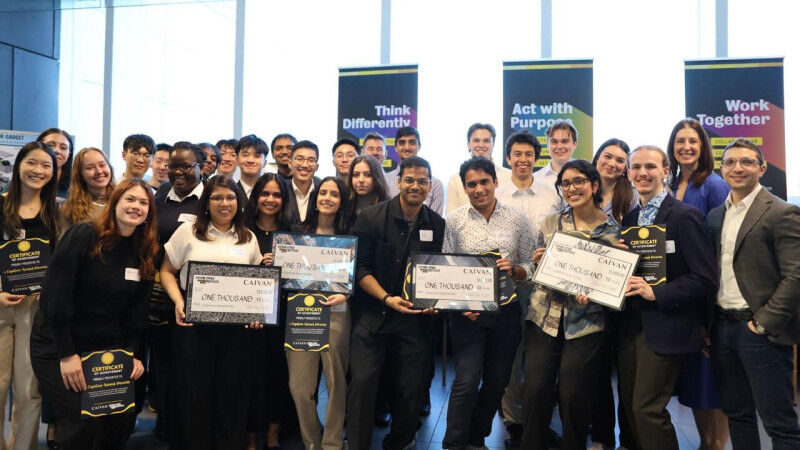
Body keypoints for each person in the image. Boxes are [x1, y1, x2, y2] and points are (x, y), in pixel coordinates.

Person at [30, 178, 158, 449]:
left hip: (106, 346)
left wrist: (133, 354)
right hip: (59, 344)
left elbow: (137, 312)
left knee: (120, 416)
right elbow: (55, 297)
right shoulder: (85, 234)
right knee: (84, 420)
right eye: (130, 199)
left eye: (143, 202)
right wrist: (66, 354)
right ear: (115, 203)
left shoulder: (144, 249)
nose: (136, 206)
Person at [618, 145, 717, 450]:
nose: (642, 173)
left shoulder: (685, 217)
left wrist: (657, 292)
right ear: (629, 173)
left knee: (647, 409)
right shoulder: (631, 218)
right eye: (636, 167)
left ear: (665, 171)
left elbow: (704, 278)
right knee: (632, 409)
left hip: (668, 326)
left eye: (650, 166)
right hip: (631, 327)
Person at [346, 156, 445, 450]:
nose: (416, 186)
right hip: (372, 317)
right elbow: (358, 269)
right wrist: (387, 298)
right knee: (362, 386)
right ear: (399, 181)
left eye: (422, 181)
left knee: (411, 390)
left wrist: (436, 299)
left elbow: (439, 272)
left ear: (430, 186)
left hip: (413, 320)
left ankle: (400, 443)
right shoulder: (371, 218)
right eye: (410, 180)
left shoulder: (437, 224)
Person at [708, 138, 800, 449]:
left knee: (779, 423)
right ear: (722, 170)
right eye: (730, 162)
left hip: (759, 332)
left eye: (747, 162)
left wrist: (762, 323)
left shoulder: (782, 212)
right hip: (721, 328)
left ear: (761, 168)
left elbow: (796, 275)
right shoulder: (714, 216)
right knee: (737, 414)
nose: (738, 168)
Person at [160, 175, 262, 450]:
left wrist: (258, 313)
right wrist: (178, 302)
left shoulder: (248, 238)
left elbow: (257, 284)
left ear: (239, 203)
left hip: (235, 333)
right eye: (217, 197)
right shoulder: (188, 231)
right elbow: (167, 271)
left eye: (230, 197)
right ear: (207, 202)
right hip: (194, 327)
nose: (224, 203)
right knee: (194, 394)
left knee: (232, 395)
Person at [522, 160, 618, 450]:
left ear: (594, 185)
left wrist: (597, 291)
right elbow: (534, 269)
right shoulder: (552, 223)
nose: (572, 188)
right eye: (565, 183)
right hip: (544, 317)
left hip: (586, 323)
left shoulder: (613, 230)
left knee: (572, 396)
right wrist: (537, 264)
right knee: (536, 390)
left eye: (578, 181)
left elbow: (613, 284)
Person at [442, 157, 534, 449]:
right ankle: (454, 443)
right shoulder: (454, 221)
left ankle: (476, 436)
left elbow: (531, 266)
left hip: (506, 312)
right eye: (472, 184)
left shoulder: (518, 219)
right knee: (467, 381)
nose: (479, 189)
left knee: (497, 381)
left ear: (495, 182)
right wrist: (459, 304)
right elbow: (445, 269)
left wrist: (516, 270)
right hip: (467, 315)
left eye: (484, 182)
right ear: (465, 187)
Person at [495, 131, 563, 447]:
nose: (523, 159)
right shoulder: (497, 194)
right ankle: (513, 419)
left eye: (529, 154)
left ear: (537, 159)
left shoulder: (553, 194)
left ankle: (540, 419)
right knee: (511, 352)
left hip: (546, 284)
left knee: (542, 356)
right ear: (508, 158)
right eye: (517, 154)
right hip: (507, 283)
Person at [666, 119, 730, 450]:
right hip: (681, 295)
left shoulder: (714, 185)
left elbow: (721, 245)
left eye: (693, 141)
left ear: (703, 146)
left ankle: (717, 443)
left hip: (708, 293)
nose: (686, 147)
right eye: (680, 141)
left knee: (712, 377)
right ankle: (704, 441)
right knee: (694, 379)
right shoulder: (670, 182)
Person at [0, 141, 60, 450]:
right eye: (31, 163)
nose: (38, 170)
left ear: (54, 172)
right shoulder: (1, 204)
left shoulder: (57, 214)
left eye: (46, 165)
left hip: (36, 310)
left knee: (28, 390)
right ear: (19, 164)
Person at [287, 176, 352, 450]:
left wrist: (348, 292)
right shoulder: (296, 232)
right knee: (299, 388)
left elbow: (357, 274)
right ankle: (311, 440)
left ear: (341, 201)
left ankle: (333, 442)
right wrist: (274, 261)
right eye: (323, 192)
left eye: (334, 194)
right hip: (301, 313)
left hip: (338, 311)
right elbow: (286, 275)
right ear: (315, 199)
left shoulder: (351, 234)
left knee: (336, 382)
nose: (327, 198)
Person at [148, 141, 207, 440]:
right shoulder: (159, 198)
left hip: (200, 297)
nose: (179, 172)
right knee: (163, 360)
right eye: (174, 166)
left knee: (192, 364)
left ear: (201, 167)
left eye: (187, 166)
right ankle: (166, 422)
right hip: (161, 291)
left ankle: (190, 426)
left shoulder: (210, 198)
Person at [588, 137, 639, 450]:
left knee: (629, 374)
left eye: (621, 160)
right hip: (590, 293)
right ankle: (602, 437)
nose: (613, 163)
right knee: (598, 372)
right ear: (597, 158)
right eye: (608, 156)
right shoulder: (582, 189)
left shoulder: (632, 197)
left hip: (626, 295)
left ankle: (630, 440)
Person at [242, 173, 292, 450]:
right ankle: (249, 435)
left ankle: (273, 433)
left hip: (282, 317)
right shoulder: (242, 230)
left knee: (278, 374)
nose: (270, 200)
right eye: (265, 194)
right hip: (248, 317)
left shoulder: (293, 233)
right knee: (250, 376)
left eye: (277, 195)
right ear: (255, 197)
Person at [445, 123, 512, 214]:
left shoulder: (509, 176)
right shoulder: (455, 179)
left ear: (493, 144)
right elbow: (451, 217)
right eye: (476, 140)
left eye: (486, 141)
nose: (481, 145)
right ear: (469, 144)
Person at [385, 127, 444, 214]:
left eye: (412, 142)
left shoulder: (435, 184)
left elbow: (434, 221)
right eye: (402, 143)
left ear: (419, 146)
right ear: (396, 148)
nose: (407, 147)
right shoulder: (385, 180)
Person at [60, 147, 116, 230]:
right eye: (90, 168)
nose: (99, 171)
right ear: (80, 175)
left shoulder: (122, 198)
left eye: (102, 165)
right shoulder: (69, 209)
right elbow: (64, 242)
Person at [534, 120, 577, 195]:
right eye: (554, 142)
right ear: (548, 145)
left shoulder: (586, 175)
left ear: (574, 144)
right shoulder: (535, 180)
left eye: (565, 141)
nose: (559, 147)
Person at [286, 140, 322, 224]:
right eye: (299, 159)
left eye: (311, 160)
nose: (305, 165)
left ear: (317, 166)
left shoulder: (322, 191)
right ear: (290, 163)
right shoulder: (281, 189)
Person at [346, 154, 389, 224]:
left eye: (368, 175)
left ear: (376, 178)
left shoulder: (388, 209)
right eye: (356, 175)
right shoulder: (345, 208)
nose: (361, 180)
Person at [38, 128, 74, 199]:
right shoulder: (21, 182)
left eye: (63, 148)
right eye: (50, 145)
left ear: (69, 155)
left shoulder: (76, 186)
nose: (57, 151)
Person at [235, 134, 268, 198]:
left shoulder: (271, 193)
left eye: (257, 156)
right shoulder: (231, 192)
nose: (250, 160)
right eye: (245, 155)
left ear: (265, 163)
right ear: (237, 160)